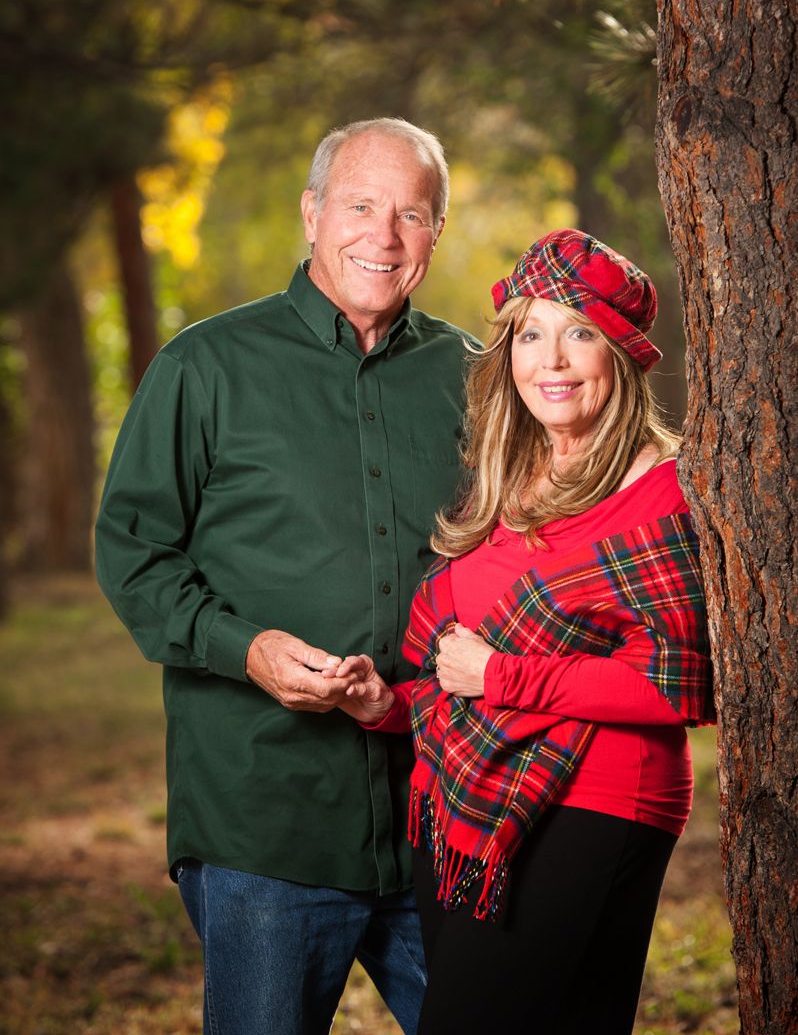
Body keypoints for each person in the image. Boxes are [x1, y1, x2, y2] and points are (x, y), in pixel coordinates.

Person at [94, 117, 478, 1035]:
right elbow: (135, 554)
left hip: (441, 819)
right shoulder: (205, 366)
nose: (382, 238)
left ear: (435, 234)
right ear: (311, 215)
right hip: (263, 824)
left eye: (411, 215)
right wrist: (248, 647)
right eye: (358, 206)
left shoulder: (474, 377)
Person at [333, 228, 715, 1034]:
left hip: (599, 801)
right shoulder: (505, 480)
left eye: (581, 332)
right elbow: (454, 665)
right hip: (461, 798)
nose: (553, 360)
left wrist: (501, 677)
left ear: (623, 352)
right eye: (531, 334)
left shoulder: (662, 490)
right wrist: (390, 706)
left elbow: (674, 682)